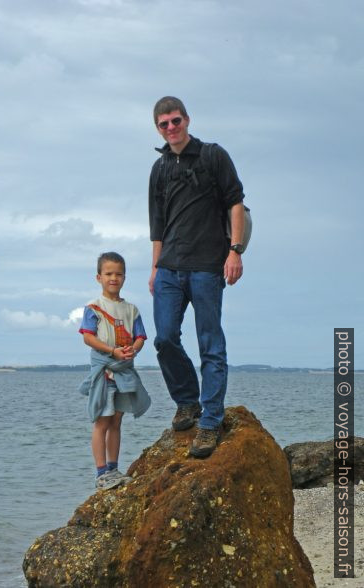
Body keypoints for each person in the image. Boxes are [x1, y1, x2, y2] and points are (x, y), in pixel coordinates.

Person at [148, 96, 246, 458]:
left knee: (211, 346)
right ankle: (187, 402)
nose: (171, 128)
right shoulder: (158, 169)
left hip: (208, 266)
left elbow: (235, 201)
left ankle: (209, 423)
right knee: (164, 338)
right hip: (170, 267)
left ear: (187, 120)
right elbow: (157, 225)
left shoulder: (213, 156)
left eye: (176, 121)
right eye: (164, 124)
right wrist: (155, 268)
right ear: (157, 128)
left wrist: (235, 251)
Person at [79, 251, 151, 489]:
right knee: (102, 420)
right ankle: (101, 474)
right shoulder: (94, 307)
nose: (114, 278)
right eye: (108, 273)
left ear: (124, 277)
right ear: (98, 277)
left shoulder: (131, 309)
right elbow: (88, 338)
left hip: (125, 370)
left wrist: (133, 350)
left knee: (117, 421)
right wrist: (112, 352)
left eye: (118, 274)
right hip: (105, 371)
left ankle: (113, 468)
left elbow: (140, 336)